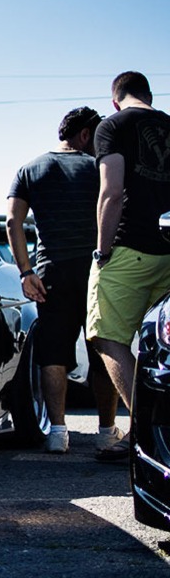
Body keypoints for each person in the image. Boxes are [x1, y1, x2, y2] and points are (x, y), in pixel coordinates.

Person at [6, 106, 121, 454]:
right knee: (102, 349)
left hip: (50, 272)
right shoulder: (97, 168)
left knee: (53, 353)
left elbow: (13, 222)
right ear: (85, 134)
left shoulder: (30, 168)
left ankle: (58, 432)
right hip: (97, 270)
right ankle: (106, 430)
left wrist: (26, 273)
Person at [87, 71, 170, 460]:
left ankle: (148, 433)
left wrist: (103, 252)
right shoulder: (168, 125)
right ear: (149, 95)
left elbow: (112, 192)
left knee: (109, 338)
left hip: (127, 249)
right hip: (168, 248)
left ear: (115, 99)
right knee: (161, 347)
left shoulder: (113, 125)